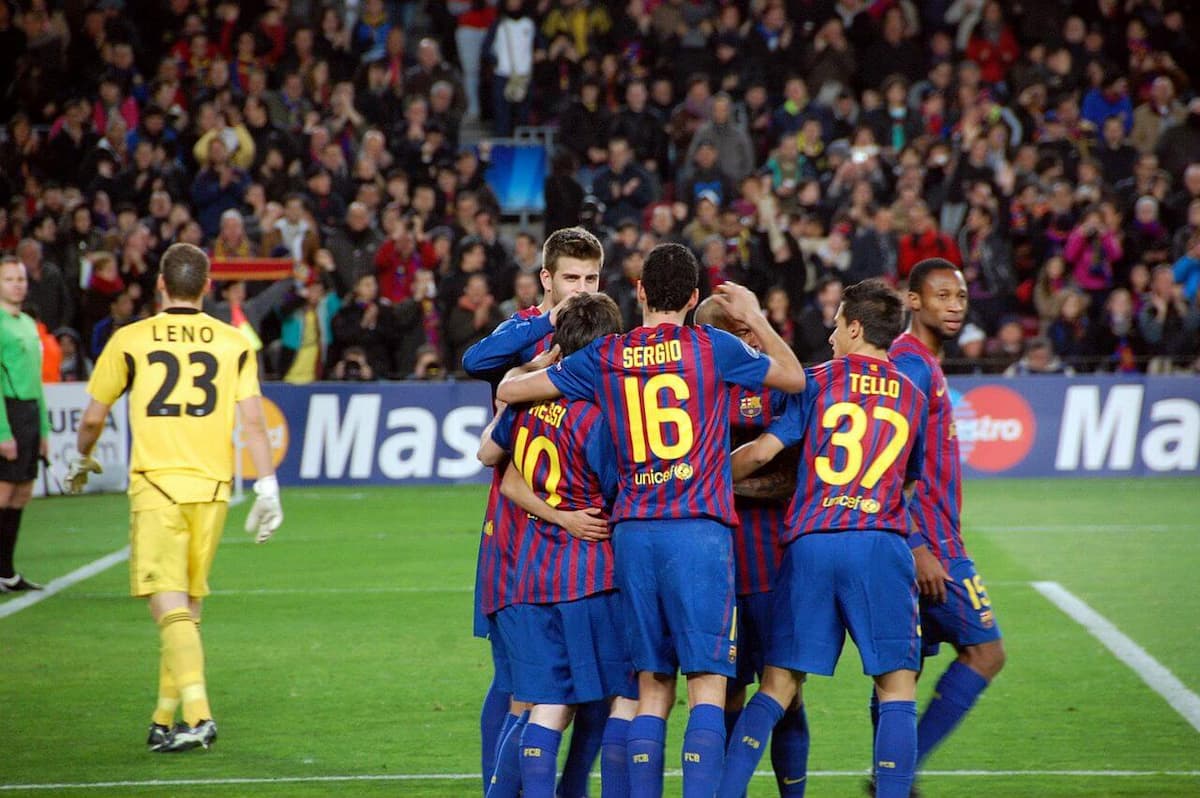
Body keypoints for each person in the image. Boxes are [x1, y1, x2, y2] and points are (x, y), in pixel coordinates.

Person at [497, 243, 805, 798]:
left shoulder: (606, 355)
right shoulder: (712, 346)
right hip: (699, 533)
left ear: (638, 291)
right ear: (692, 298)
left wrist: (545, 364)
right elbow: (793, 377)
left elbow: (510, 390)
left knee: (650, 685)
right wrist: (756, 316)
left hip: (634, 535)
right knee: (708, 684)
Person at [65, 243, 283, 753]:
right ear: (207, 287)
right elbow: (253, 420)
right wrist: (268, 487)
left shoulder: (130, 339)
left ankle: (199, 716)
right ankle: (164, 720)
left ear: (160, 284)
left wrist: (81, 458)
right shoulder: (233, 343)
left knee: (168, 607)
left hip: (158, 487)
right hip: (212, 491)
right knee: (186, 607)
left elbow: (94, 417)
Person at [719, 279, 927, 798]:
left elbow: (765, 451)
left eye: (837, 324)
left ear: (855, 327)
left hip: (811, 541)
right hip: (879, 542)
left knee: (776, 688)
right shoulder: (914, 395)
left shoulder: (816, 381)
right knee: (897, 689)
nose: (831, 333)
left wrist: (702, 476)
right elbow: (909, 478)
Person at [460, 227, 605, 797]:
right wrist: (551, 324)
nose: (583, 288)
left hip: (577, 541)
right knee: (516, 683)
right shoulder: (525, 331)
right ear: (547, 279)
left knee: (592, 689)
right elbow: (476, 360)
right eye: (572, 277)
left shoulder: (600, 335)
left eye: (592, 278)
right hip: (515, 530)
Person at [477, 292, 638, 798]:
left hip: (531, 568)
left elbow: (496, 468)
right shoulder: (597, 417)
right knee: (624, 696)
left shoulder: (525, 402)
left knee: (546, 704)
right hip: (588, 575)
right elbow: (620, 492)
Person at [887, 259, 1006, 787]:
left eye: (959, 297)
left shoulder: (924, 364)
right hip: (930, 545)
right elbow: (886, 465)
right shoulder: (911, 365)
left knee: (903, 672)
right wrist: (916, 546)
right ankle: (898, 773)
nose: (954, 306)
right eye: (941, 296)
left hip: (927, 540)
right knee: (986, 652)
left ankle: (895, 777)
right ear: (914, 301)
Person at [693, 296, 809, 789]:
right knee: (727, 693)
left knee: (787, 691)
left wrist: (711, 478)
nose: (756, 340)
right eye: (743, 332)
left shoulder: (780, 386)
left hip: (773, 561)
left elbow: (790, 475)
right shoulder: (696, 387)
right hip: (717, 565)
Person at [0, 257, 50, 592]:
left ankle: (6, 571)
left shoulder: (28, 324)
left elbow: (37, 378)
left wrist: (44, 429)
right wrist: (3, 431)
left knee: (23, 492)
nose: (18, 284)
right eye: (9, 279)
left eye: (20, 278)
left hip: (30, 412)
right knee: (4, 492)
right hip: (9, 411)